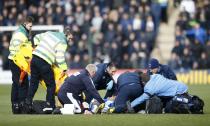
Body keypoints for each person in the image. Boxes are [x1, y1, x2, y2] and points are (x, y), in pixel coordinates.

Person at [24, 27, 73, 112]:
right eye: (70, 38)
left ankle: (27, 103)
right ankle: (49, 105)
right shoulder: (63, 42)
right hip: (44, 62)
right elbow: (60, 57)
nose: (70, 40)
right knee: (51, 85)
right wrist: (65, 69)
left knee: (33, 83)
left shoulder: (50, 33)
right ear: (67, 34)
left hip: (34, 58)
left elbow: (36, 37)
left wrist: (36, 47)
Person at [8, 16, 34, 114]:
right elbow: (22, 50)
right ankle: (22, 105)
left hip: (14, 60)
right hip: (18, 61)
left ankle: (15, 106)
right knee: (23, 84)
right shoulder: (22, 34)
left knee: (16, 83)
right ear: (25, 23)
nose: (31, 28)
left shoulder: (19, 32)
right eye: (30, 26)